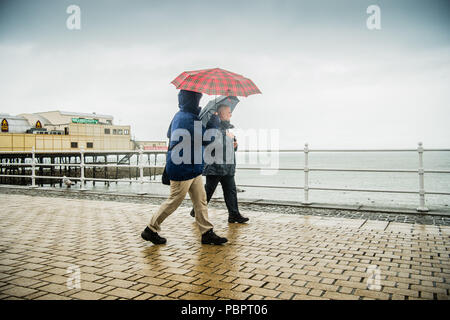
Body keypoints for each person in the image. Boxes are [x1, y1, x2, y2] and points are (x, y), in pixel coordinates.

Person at [141, 90, 228, 245]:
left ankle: (207, 232)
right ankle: (150, 229)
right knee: (174, 201)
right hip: (183, 168)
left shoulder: (180, 116)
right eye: (197, 99)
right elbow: (206, 139)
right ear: (192, 100)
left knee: (200, 200)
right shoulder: (188, 118)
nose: (199, 102)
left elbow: (170, 133)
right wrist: (213, 121)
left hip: (192, 167)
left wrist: (201, 120)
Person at [190, 104, 249, 224]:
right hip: (215, 166)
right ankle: (196, 211)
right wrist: (225, 137)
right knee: (209, 190)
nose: (230, 114)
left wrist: (234, 144)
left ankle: (234, 214)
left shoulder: (226, 129)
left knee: (231, 190)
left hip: (227, 166)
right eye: (228, 111)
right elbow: (209, 145)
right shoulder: (212, 126)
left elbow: (228, 148)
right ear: (219, 113)